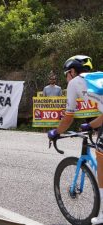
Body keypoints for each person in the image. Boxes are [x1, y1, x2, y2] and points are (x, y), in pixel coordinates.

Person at [47, 55, 103, 224]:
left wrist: (56, 132)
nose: (66, 77)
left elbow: (68, 117)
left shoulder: (74, 83)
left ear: (72, 71)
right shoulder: (98, 77)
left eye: (66, 73)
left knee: (101, 160)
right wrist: (91, 125)